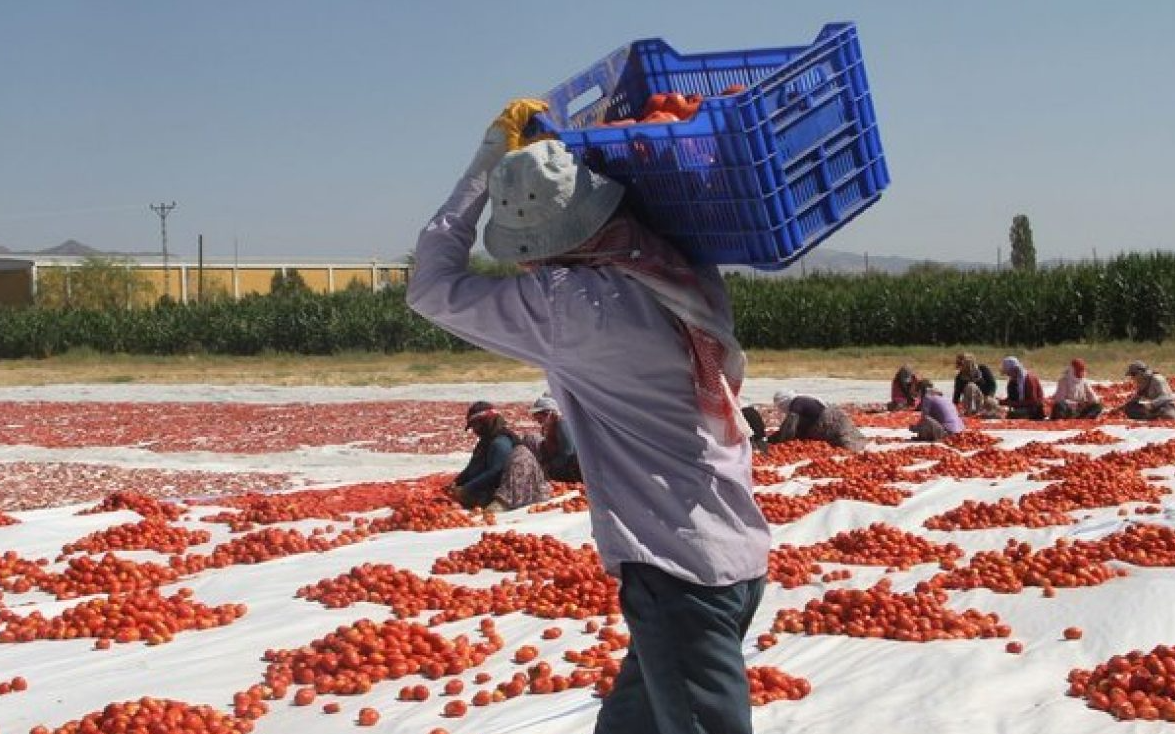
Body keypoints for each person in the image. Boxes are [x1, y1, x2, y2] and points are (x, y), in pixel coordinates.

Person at [407, 101, 770, 734]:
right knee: (631, 720)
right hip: (729, 550)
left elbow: (431, 287)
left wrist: (488, 161)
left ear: (540, 247)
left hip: (678, 569)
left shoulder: (573, 308)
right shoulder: (676, 267)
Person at [450, 400, 551, 512]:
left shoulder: (500, 442)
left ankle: (502, 503)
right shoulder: (484, 442)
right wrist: (457, 481)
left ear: (485, 422)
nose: (474, 430)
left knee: (520, 457)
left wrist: (466, 488)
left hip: (512, 488)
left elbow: (496, 470)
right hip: (495, 484)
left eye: (475, 425)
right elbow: (472, 466)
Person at [768, 389, 866, 452]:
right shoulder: (802, 404)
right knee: (842, 441)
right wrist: (770, 440)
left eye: (780, 405)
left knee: (848, 443)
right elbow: (788, 428)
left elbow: (789, 428)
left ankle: (859, 447)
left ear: (784, 401)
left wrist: (782, 443)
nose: (781, 408)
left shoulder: (797, 402)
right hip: (829, 424)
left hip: (832, 421)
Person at [524, 395, 582, 482]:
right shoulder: (549, 425)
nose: (536, 419)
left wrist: (549, 468)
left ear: (548, 413)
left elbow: (567, 452)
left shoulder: (562, 424)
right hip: (560, 462)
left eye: (538, 416)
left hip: (571, 465)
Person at [998, 356, 1046, 420]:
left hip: (1034, 410)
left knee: (1012, 415)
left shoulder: (1028, 379)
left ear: (1015, 370)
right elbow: (1012, 398)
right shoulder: (1012, 381)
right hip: (1020, 407)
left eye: (1008, 373)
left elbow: (1033, 402)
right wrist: (999, 402)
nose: (1008, 375)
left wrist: (1013, 404)